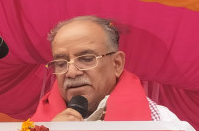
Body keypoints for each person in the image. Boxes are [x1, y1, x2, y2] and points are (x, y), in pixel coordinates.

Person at [32, 15, 179, 122]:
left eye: (87, 59)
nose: (71, 72)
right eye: (61, 63)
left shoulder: (161, 123)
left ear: (117, 64)